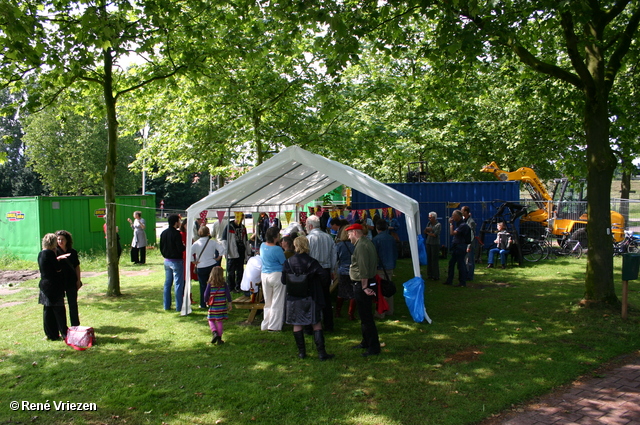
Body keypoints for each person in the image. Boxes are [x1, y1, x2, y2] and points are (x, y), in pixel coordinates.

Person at [282, 235, 334, 360]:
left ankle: (302, 353)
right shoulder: (312, 262)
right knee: (316, 323)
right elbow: (324, 276)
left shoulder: (288, 262)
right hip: (311, 296)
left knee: (297, 323)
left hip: (294, 297)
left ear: (295, 246)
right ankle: (321, 353)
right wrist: (315, 282)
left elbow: (284, 280)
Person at [346, 223, 381, 357]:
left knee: (366, 317)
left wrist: (365, 286)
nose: (349, 238)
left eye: (349, 234)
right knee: (364, 315)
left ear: (355, 233)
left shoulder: (361, 246)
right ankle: (366, 341)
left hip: (362, 285)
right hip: (365, 283)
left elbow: (363, 268)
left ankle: (373, 347)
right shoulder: (367, 242)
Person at [306, 214, 337, 332]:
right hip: (325, 270)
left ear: (310, 226)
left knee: (312, 298)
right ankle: (329, 325)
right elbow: (333, 255)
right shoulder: (328, 237)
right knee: (326, 298)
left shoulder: (308, 239)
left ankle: (311, 325)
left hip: (312, 271)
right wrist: (333, 269)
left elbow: (306, 256)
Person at [38, 233, 68, 341]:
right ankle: (64, 332)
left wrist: (57, 258)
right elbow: (58, 268)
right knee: (59, 310)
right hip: (54, 286)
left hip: (44, 285)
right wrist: (58, 260)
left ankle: (51, 334)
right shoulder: (50, 253)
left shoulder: (41, 253)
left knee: (48, 310)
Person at [191, 225, 226, 309]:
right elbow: (222, 249)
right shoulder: (212, 242)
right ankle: (214, 301)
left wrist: (193, 261)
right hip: (212, 265)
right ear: (208, 233)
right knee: (213, 284)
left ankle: (203, 303)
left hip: (201, 265)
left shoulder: (196, 243)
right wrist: (218, 257)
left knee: (202, 285)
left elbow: (190, 253)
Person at [260, 227, 287, 331]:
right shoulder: (277, 249)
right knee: (277, 301)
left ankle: (265, 324)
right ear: (275, 236)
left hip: (265, 275)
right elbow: (284, 263)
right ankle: (274, 326)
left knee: (268, 302)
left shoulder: (262, 246)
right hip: (276, 275)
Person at [55, 230, 82, 327]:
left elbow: (77, 267)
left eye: (62, 239)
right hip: (60, 281)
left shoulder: (72, 252)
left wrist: (78, 280)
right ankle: (62, 326)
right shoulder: (54, 252)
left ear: (67, 240)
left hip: (71, 280)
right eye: (58, 239)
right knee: (59, 305)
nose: (60, 241)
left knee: (73, 304)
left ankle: (75, 325)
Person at [160, 214, 186, 311]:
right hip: (176, 261)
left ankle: (166, 305)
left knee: (167, 284)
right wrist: (183, 246)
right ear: (176, 223)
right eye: (179, 221)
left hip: (167, 261)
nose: (180, 223)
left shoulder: (164, 233)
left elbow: (161, 248)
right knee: (178, 284)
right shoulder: (176, 234)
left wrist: (165, 255)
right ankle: (179, 307)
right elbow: (180, 248)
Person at [372, 220, 398, 318]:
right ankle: (390, 310)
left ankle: (380, 312)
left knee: (380, 290)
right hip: (390, 266)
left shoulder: (375, 239)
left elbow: (374, 255)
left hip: (380, 267)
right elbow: (395, 253)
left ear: (376, 228)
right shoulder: (391, 238)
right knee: (389, 289)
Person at [204, 266, 232, 345]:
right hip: (222, 305)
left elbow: (206, 294)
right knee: (219, 321)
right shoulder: (224, 284)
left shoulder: (210, 284)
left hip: (213, 305)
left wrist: (206, 301)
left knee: (211, 319)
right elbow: (228, 294)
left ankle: (214, 332)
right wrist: (230, 302)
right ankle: (219, 338)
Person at [221, 214, 249, 292]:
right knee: (231, 271)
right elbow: (224, 240)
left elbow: (246, 240)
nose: (241, 220)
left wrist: (248, 250)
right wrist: (226, 250)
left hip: (241, 251)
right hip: (231, 251)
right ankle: (231, 287)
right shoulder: (229, 226)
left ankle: (239, 286)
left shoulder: (243, 227)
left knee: (240, 270)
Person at [444, 210, 471, 287]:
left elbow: (452, 233)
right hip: (456, 246)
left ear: (458, 216)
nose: (452, 217)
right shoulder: (459, 224)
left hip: (460, 247)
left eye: (453, 215)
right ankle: (449, 280)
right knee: (451, 263)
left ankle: (462, 282)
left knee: (460, 264)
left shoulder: (463, 225)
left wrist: (450, 224)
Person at [335, 227, 357, 321]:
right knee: (353, 293)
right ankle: (351, 314)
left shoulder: (339, 245)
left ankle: (337, 311)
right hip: (353, 271)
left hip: (342, 270)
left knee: (341, 292)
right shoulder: (355, 245)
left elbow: (335, 258)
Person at [424, 212, 441, 281]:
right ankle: (429, 274)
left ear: (434, 218)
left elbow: (435, 235)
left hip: (435, 244)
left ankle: (435, 275)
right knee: (429, 259)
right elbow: (425, 231)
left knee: (434, 260)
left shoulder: (438, 225)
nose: (429, 219)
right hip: (428, 243)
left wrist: (429, 231)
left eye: (430, 217)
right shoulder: (429, 224)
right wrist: (427, 231)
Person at [461, 206, 477, 281]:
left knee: (470, 260)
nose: (461, 212)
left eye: (462, 211)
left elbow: (472, 234)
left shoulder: (471, 222)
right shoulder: (463, 220)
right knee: (465, 260)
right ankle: (466, 273)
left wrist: (469, 245)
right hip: (463, 243)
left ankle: (470, 276)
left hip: (470, 243)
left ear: (466, 212)